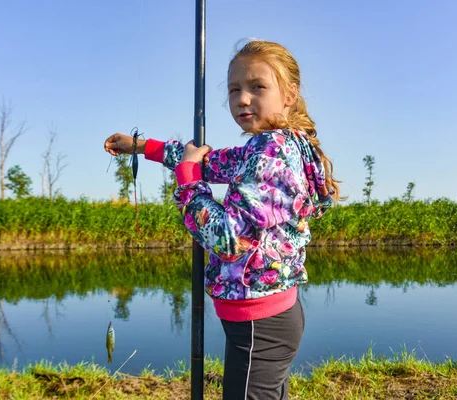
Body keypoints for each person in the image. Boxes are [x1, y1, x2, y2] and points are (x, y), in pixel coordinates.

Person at [104, 39, 340, 400]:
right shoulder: (269, 146)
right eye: (234, 89)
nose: (243, 98)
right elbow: (205, 161)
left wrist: (188, 181)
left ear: (289, 94)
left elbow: (228, 238)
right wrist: (143, 147)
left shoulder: (270, 154)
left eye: (257, 86)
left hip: (259, 322)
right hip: (266, 314)